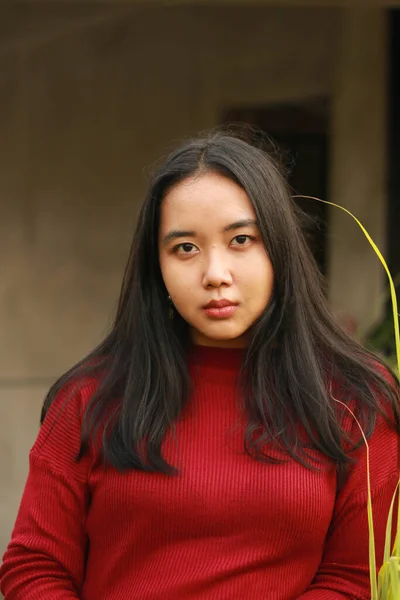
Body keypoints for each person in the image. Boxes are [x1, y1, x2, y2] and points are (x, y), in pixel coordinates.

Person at [0, 130, 399, 600]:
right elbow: (35, 568)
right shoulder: (91, 397)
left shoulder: (355, 398)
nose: (214, 274)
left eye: (241, 240)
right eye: (185, 248)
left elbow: (354, 577)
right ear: (158, 265)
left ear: (281, 249)